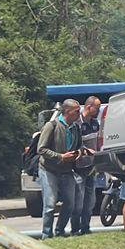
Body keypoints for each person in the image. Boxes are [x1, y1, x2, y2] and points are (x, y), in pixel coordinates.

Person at [36, 99, 83, 238]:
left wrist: (79, 153)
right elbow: (41, 149)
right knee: (50, 204)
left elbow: (79, 146)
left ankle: (60, 232)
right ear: (67, 112)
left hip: (67, 171)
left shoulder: (76, 128)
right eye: (76, 111)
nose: (79, 114)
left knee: (70, 203)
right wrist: (61, 157)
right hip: (48, 170)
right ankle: (46, 235)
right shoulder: (52, 126)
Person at [73, 96, 104, 236]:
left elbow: (98, 142)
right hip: (78, 168)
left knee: (90, 202)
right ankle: (75, 229)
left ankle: (86, 227)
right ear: (89, 107)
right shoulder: (77, 122)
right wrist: (84, 150)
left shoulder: (95, 123)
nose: (98, 110)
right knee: (78, 201)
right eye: (96, 108)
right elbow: (73, 142)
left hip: (91, 167)